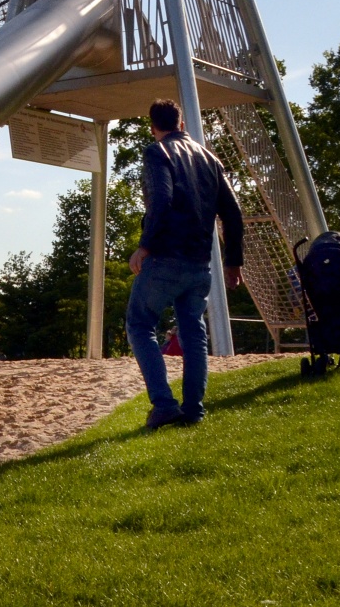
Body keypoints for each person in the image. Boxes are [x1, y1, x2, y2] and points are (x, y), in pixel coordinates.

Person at [128, 99, 245, 431]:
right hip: (199, 262)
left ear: (154, 128)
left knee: (140, 325)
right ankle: (193, 409)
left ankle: (164, 404)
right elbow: (233, 213)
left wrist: (145, 246)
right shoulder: (210, 159)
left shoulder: (157, 152)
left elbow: (162, 200)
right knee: (194, 333)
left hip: (166, 257)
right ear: (181, 124)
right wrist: (233, 261)